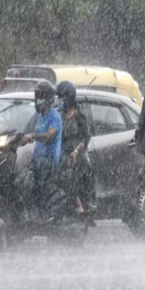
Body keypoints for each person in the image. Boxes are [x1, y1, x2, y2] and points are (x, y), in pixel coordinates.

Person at [56, 81, 96, 218]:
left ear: (69, 98)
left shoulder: (79, 117)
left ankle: (90, 201)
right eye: (58, 98)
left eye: (62, 98)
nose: (60, 101)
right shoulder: (58, 116)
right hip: (62, 150)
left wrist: (76, 151)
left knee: (86, 165)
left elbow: (85, 138)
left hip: (78, 151)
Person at [22, 80, 62, 205]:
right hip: (37, 158)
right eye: (37, 97)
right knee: (22, 180)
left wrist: (33, 136)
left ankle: (41, 210)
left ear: (49, 99)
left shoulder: (55, 116)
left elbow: (48, 136)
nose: (39, 100)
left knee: (37, 184)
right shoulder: (39, 116)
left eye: (42, 97)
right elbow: (27, 132)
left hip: (49, 159)